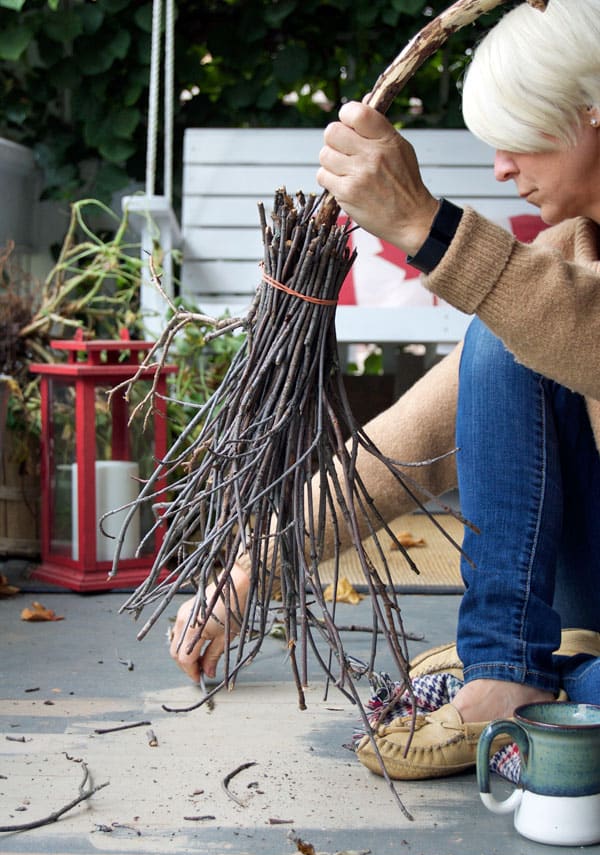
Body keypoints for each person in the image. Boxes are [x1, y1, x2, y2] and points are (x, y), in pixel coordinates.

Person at [170, 0, 600, 779]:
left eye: (517, 137)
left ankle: (532, 679)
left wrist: (427, 225)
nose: (501, 167)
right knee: (498, 340)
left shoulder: (554, 290)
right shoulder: (563, 261)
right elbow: (414, 443)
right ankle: (509, 669)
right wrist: (248, 572)